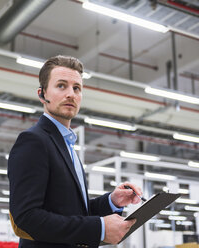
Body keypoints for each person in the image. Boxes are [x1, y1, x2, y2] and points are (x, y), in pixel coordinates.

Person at [8, 55, 143, 248]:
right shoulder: (34, 141)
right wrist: (99, 228)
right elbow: (26, 218)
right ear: (42, 94)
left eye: (76, 88)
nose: (71, 94)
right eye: (61, 86)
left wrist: (112, 201)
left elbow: (74, 212)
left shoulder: (66, 145)